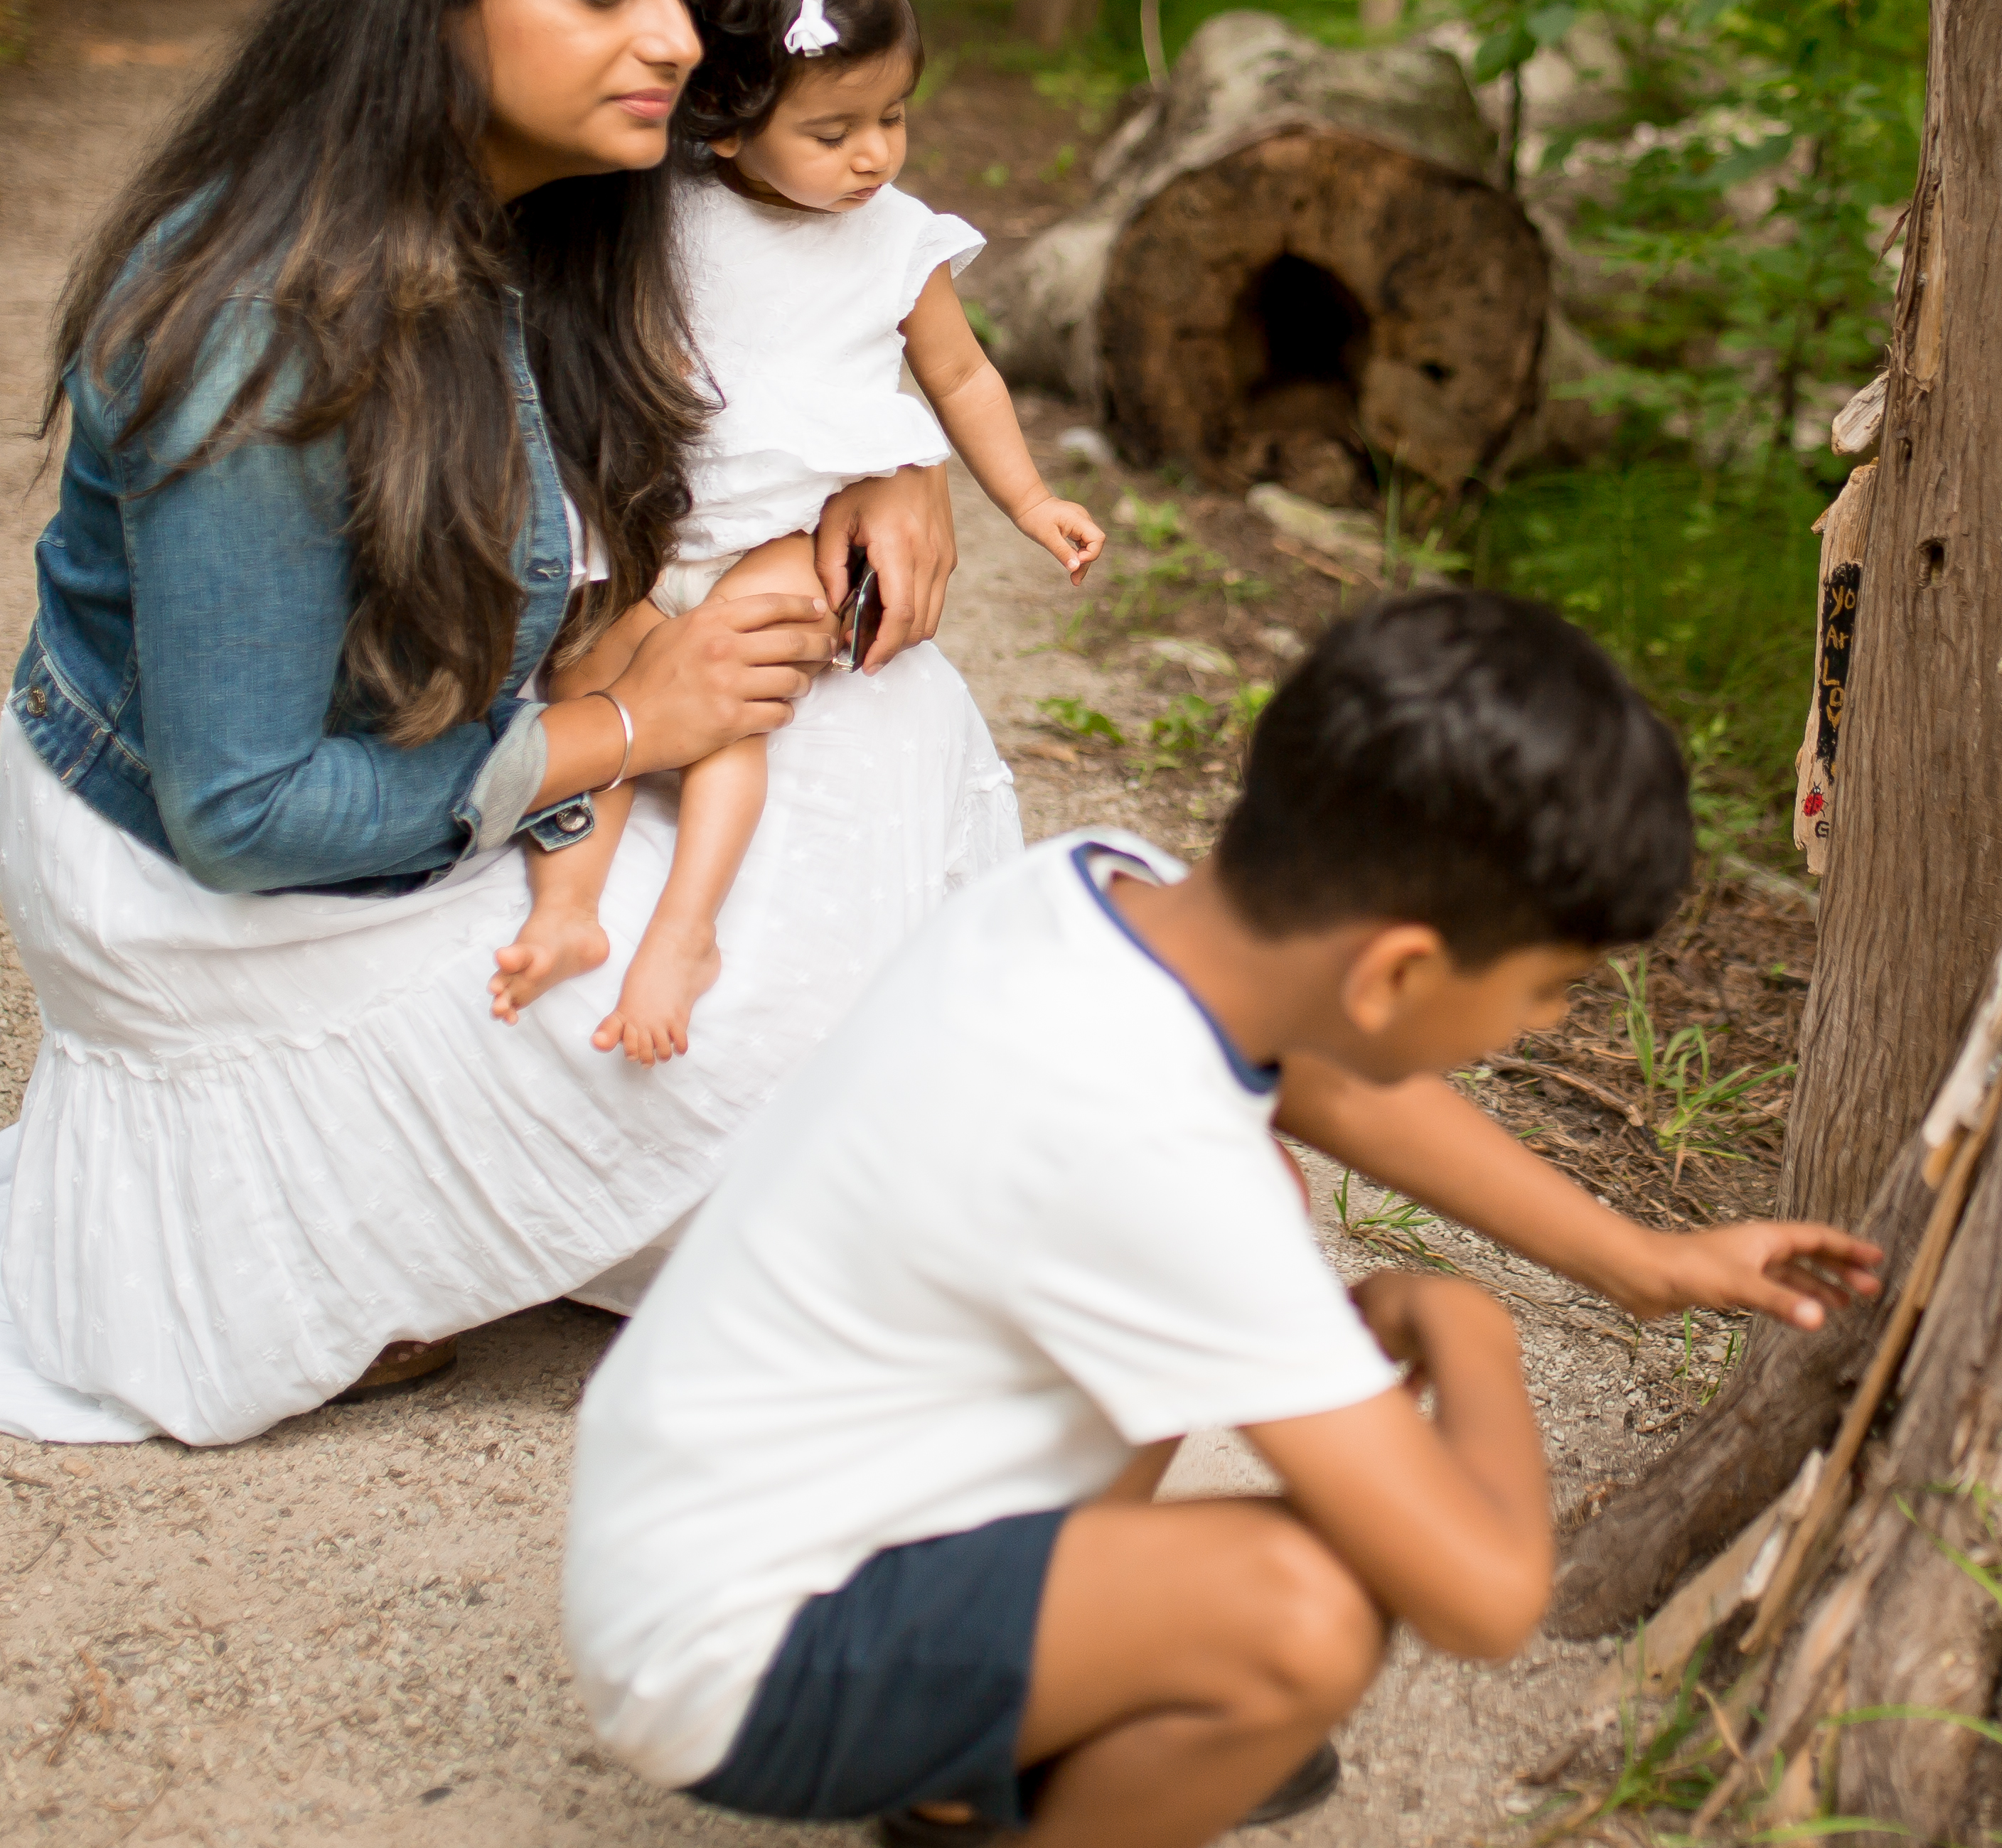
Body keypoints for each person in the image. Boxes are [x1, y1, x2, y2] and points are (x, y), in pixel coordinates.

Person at [0, 0, 1019, 1449]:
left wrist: (891, 480)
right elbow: (243, 810)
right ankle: (360, 1201)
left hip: (441, 762)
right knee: (773, 1018)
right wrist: (627, 723)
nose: (680, 41)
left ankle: (516, 1187)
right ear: (433, 1)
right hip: (231, 883)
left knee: (877, 733)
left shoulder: (578, 203)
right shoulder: (256, 326)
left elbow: (806, 340)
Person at [567, 590, 1886, 1848]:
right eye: (1549, 990)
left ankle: (1003, 1742)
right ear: (1403, 972)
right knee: (1300, 1619)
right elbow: (1483, 1596)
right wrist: (1473, 1333)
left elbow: (1322, 1074)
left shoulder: (1102, 896)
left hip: (697, 1508)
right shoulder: (1147, 1149)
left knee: (1245, 1211)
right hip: (732, 1651)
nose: (1543, 1023)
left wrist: (1637, 1262)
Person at [497, 0, 1102, 1063]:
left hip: (782, 532)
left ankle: (687, 930)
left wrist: (1028, 501)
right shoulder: (656, 215)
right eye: (833, 131)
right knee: (594, 683)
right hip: (655, 524)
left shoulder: (896, 238)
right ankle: (567, 913)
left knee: (737, 696)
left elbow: (963, 377)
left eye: (892, 116)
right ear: (723, 128)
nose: (874, 153)